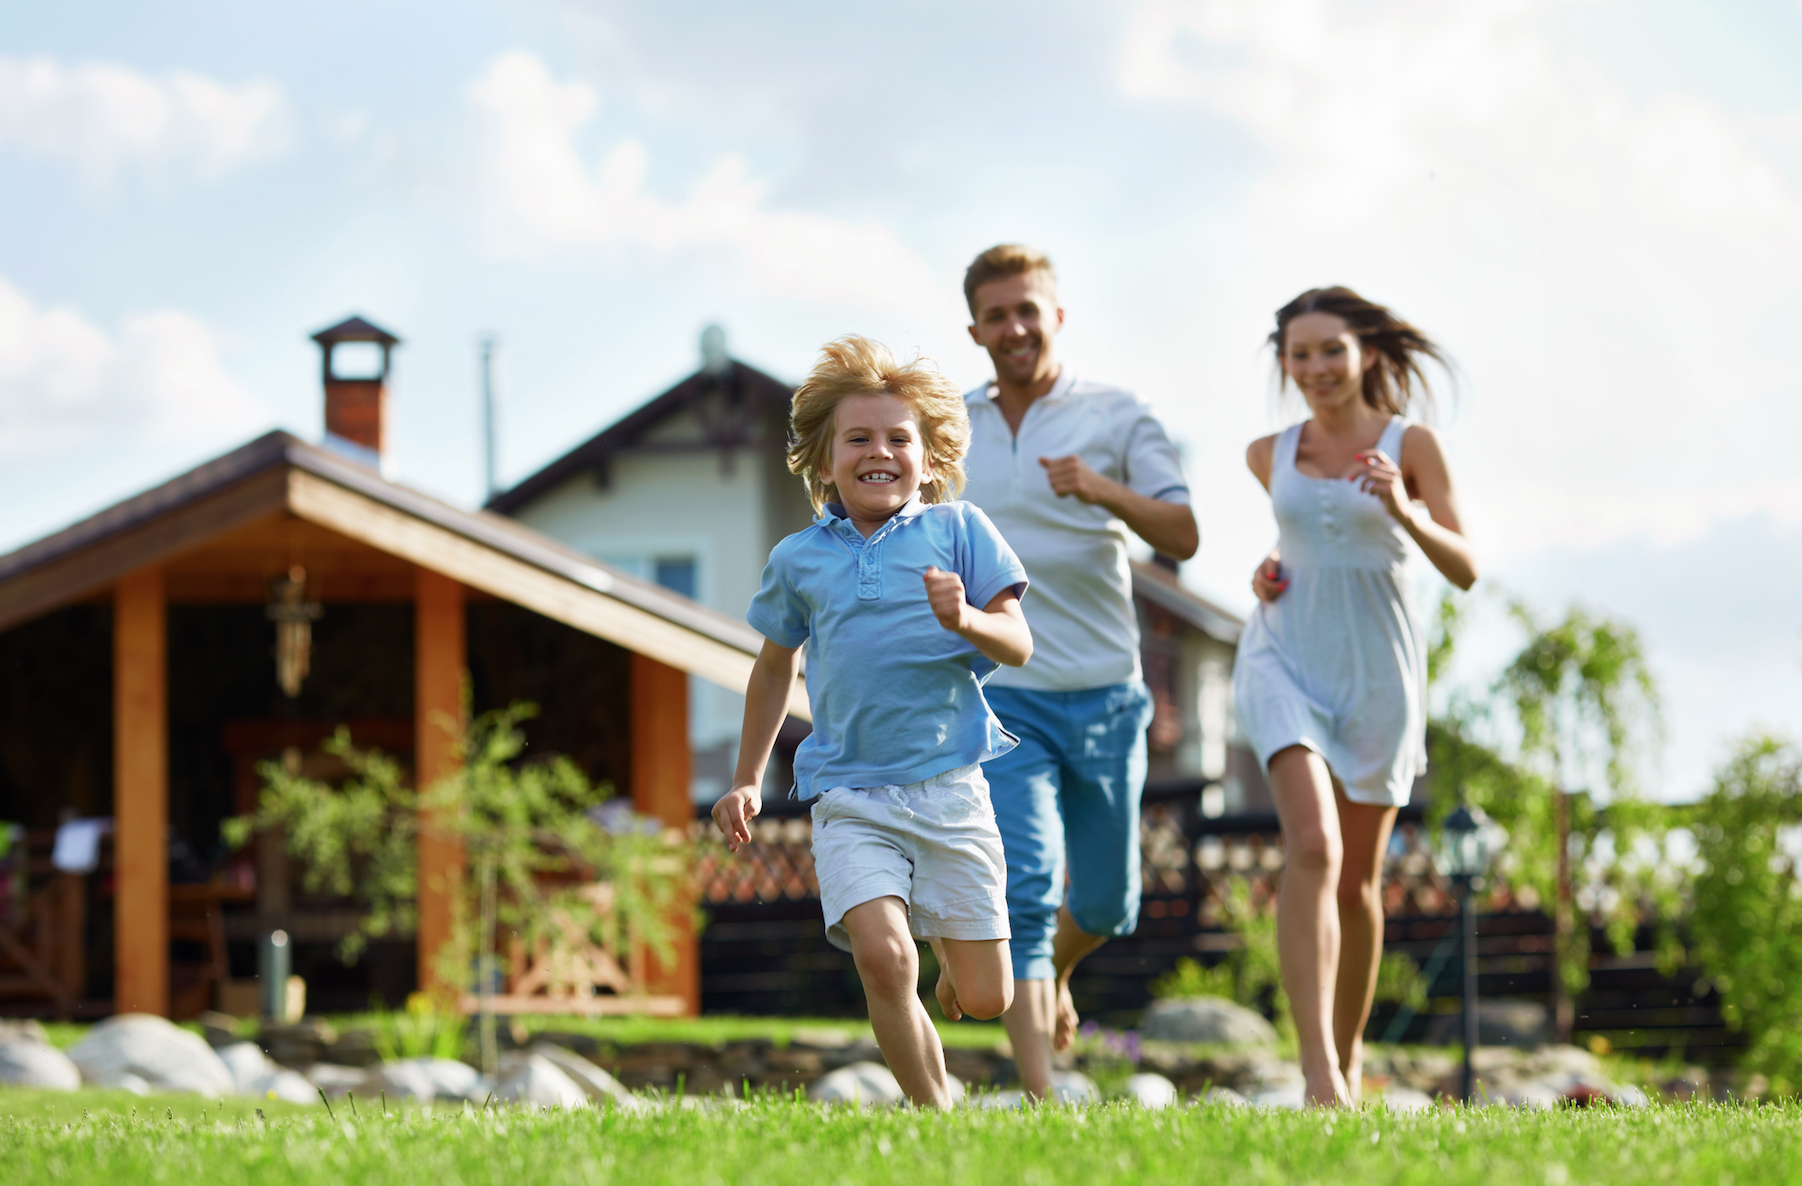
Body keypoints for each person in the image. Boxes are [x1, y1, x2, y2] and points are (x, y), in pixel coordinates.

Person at [711, 335, 1033, 1109]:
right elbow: (773, 666)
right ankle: (937, 1114)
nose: (879, 451)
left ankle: (960, 965)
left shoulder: (960, 530)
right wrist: (748, 778)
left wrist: (967, 622)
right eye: (858, 438)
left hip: (950, 787)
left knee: (988, 999)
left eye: (898, 438)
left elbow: (1017, 643)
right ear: (824, 462)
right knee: (885, 960)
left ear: (928, 459)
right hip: (850, 793)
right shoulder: (799, 559)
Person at [958, 245, 1199, 1101]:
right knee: (1025, 887)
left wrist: (1103, 491)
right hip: (1001, 693)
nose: (1015, 327)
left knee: (1107, 903)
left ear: (1056, 316)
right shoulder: (954, 427)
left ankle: (1052, 974)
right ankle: (1040, 1092)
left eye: (1029, 309)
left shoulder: (1116, 415)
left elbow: (1182, 535)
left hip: (1104, 692)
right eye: (997, 314)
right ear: (976, 328)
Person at [1234, 286, 1478, 1107]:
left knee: (1357, 883)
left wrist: (1404, 509)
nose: (1314, 369)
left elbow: (1465, 566)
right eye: (1298, 355)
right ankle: (1317, 1074)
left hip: (1378, 671)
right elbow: (1299, 539)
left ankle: (1348, 1054)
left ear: (1366, 352)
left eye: (1329, 351)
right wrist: (1265, 570)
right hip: (1284, 657)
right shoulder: (1267, 451)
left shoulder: (1413, 444)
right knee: (1313, 846)